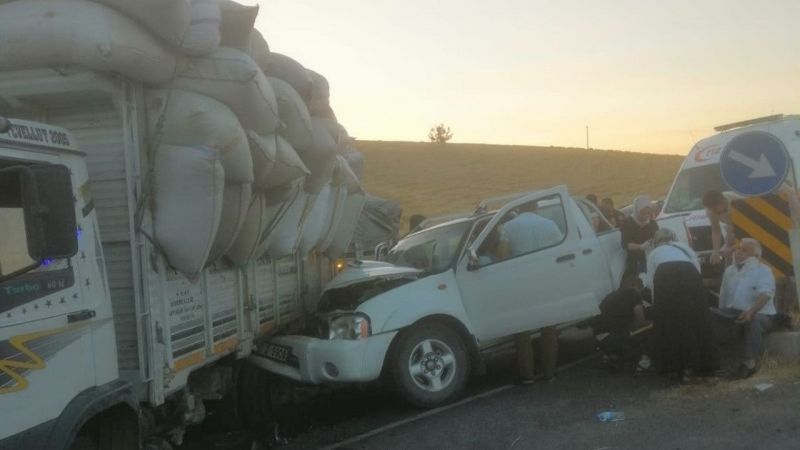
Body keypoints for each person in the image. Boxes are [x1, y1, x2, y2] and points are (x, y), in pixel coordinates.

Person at [646, 228, 716, 380]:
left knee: (672, 322)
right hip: (690, 275)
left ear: (656, 241)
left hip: (666, 277)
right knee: (696, 319)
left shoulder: (654, 253)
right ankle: (704, 364)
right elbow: (697, 270)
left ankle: (679, 367)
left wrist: (656, 306)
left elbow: (651, 281)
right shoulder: (684, 248)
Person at [716, 238, 776, 378]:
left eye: (744, 250)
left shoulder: (763, 270)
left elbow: (765, 294)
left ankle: (750, 364)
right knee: (711, 315)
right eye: (738, 248)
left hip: (762, 314)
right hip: (735, 312)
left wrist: (751, 311)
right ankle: (718, 363)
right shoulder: (729, 271)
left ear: (755, 255)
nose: (738, 252)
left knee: (752, 320)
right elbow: (723, 297)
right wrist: (720, 315)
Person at [594, 274, 652, 372]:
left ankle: (612, 356)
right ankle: (643, 362)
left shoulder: (609, 296)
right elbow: (641, 320)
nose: (641, 293)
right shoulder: (633, 293)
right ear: (634, 286)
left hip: (600, 338)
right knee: (651, 326)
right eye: (640, 289)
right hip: (616, 337)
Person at [497, 202, 562, 259]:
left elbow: (503, 255)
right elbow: (560, 248)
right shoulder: (550, 224)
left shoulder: (508, 226)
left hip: (521, 266)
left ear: (518, 209)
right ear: (536, 206)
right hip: (549, 263)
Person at [621, 195, 658, 278]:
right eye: (642, 213)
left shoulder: (652, 223)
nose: (645, 216)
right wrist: (641, 247)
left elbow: (657, 238)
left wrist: (653, 242)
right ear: (636, 210)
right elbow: (625, 244)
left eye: (648, 213)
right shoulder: (628, 222)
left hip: (650, 259)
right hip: (634, 262)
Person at [702, 190, 735, 265]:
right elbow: (716, 230)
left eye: (714, 209)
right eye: (710, 209)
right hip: (730, 231)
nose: (713, 212)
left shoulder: (738, 200)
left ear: (722, 201)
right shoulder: (710, 211)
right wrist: (716, 252)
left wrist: (733, 248)